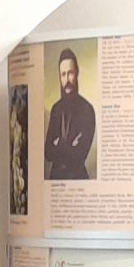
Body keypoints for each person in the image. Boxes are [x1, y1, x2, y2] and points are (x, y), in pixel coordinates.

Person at [44, 47, 94, 181]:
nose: (67, 80)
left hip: (78, 181)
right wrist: (70, 145)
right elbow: (47, 153)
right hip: (55, 181)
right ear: (59, 77)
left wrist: (58, 143)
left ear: (77, 72)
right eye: (63, 74)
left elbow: (80, 156)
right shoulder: (55, 109)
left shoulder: (87, 110)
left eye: (70, 73)